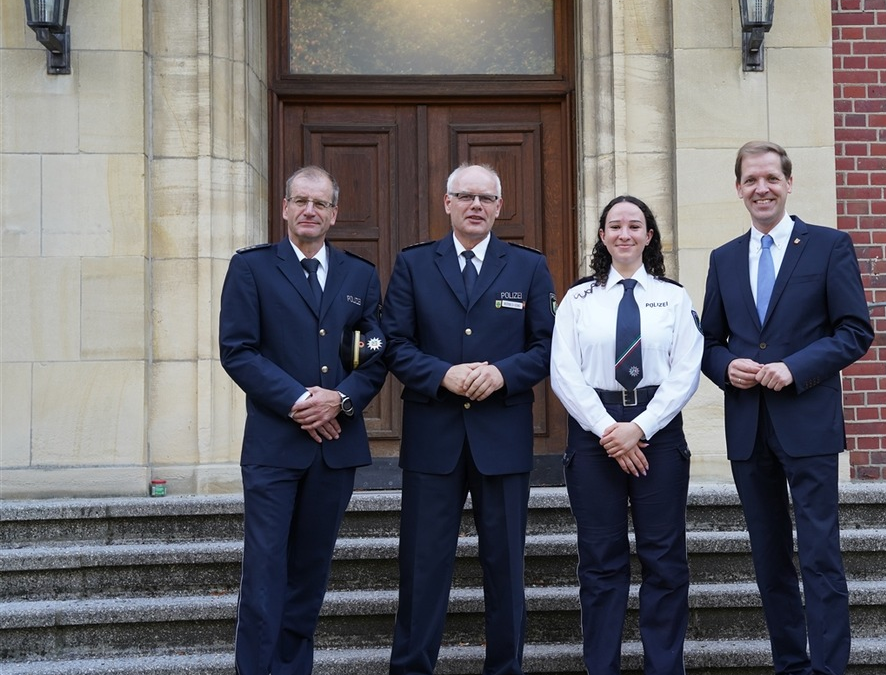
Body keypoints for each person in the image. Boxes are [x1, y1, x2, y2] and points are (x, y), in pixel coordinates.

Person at [699, 141, 874, 675]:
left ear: (789, 183)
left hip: (808, 424)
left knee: (820, 555)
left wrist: (796, 367)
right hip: (749, 429)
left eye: (771, 178)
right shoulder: (724, 258)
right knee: (770, 557)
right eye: (751, 180)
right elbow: (707, 343)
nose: (762, 188)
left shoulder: (828, 246)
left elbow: (854, 332)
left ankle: (828, 669)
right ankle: (790, 665)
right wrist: (725, 367)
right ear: (738, 188)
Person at [381, 163, 556, 675]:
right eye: (465, 196)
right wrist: (443, 375)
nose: (476, 205)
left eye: (486, 198)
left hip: (501, 438)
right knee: (422, 568)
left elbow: (547, 347)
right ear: (447, 203)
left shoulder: (528, 267)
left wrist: (501, 375)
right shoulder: (414, 265)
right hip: (433, 437)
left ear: (500, 207)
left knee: (504, 569)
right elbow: (393, 344)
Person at [219, 165, 387, 675]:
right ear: (286, 208)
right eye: (301, 201)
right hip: (274, 447)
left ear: (334, 213)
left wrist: (340, 399)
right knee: (266, 570)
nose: (310, 211)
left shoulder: (359, 274)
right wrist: (300, 401)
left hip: (334, 449)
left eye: (320, 203)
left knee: (310, 574)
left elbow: (375, 351)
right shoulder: (251, 268)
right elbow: (238, 351)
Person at [550, 196, 703, 675]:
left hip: (656, 427)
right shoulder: (577, 299)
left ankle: (664, 667)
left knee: (664, 559)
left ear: (649, 236)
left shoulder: (674, 297)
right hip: (594, 432)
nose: (624, 234)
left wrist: (639, 428)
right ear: (602, 236)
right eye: (614, 226)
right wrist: (608, 430)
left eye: (634, 226)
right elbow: (563, 371)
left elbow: (686, 371)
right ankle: (602, 667)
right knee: (600, 561)